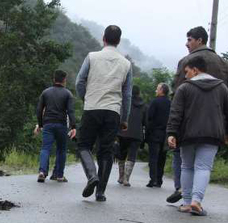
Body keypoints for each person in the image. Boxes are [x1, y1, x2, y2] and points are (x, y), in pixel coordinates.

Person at [167, 26, 228, 204]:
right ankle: (195, 200)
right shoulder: (222, 62)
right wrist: (227, 125)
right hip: (214, 124)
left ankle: (183, 190)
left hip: (188, 123)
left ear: (200, 40)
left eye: (189, 39)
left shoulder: (186, 61)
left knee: (184, 162)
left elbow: (177, 95)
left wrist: (172, 130)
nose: (186, 43)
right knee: (204, 165)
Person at [75, 25, 133, 202]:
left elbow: (79, 82)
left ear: (103, 38)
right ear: (119, 41)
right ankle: (100, 192)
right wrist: (124, 119)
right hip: (113, 111)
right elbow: (127, 94)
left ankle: (92, 175)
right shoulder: (126, 64)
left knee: (84, 145)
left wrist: (87, 97)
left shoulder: (92, 57)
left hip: (92, 107)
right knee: (106, 151)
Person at [35, 69, 77, 183]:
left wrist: (40, 124)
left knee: (45, 148)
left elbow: (39, 110)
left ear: (54, 79)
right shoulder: (68, 93)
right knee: (61, 150)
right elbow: (71, 111)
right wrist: (73, 127)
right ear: (64, 80)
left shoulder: (45, 92)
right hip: (61, 125)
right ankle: (59, 175)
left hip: (48, 124)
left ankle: (42, 172)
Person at [116, 85, 145, 187]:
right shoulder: (143, 105)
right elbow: (145, 121)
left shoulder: (125, 103)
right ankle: (126, 179)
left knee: (122, 154)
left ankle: (120, 176)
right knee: (132, 155)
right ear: (139, 93)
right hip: (137, 134)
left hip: (123, 132)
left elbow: (119, 115)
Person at [145, 83, 171, 188]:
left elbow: (149, 118)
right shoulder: (170, 103)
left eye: (157, 89)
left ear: (161, 91)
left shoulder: (154, 102)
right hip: (166, 134)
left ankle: (153, 179)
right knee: (162, 158)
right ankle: (159, 180)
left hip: (154, 133)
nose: (156, 91)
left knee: (153, 158)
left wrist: (147, 132)